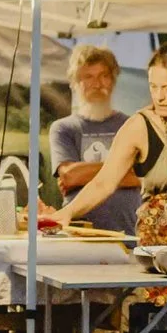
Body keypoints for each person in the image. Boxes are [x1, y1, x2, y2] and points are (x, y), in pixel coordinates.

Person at [50, 41, 167, 231]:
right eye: (153, 87)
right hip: (157, 246)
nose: (159, 96)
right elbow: (103, 182)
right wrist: (65, 213)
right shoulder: (139, 126)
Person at [48, 45, 139, 232]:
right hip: (78, 233)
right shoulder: (63, 128)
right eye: (88, 77)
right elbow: (69, 176)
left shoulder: (132, 125)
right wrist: (123, 169)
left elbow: (141, 176)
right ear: (75, 83)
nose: (97, 84)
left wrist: (84, 172)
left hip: (129, 233)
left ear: (113, 81)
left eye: (104, 76)